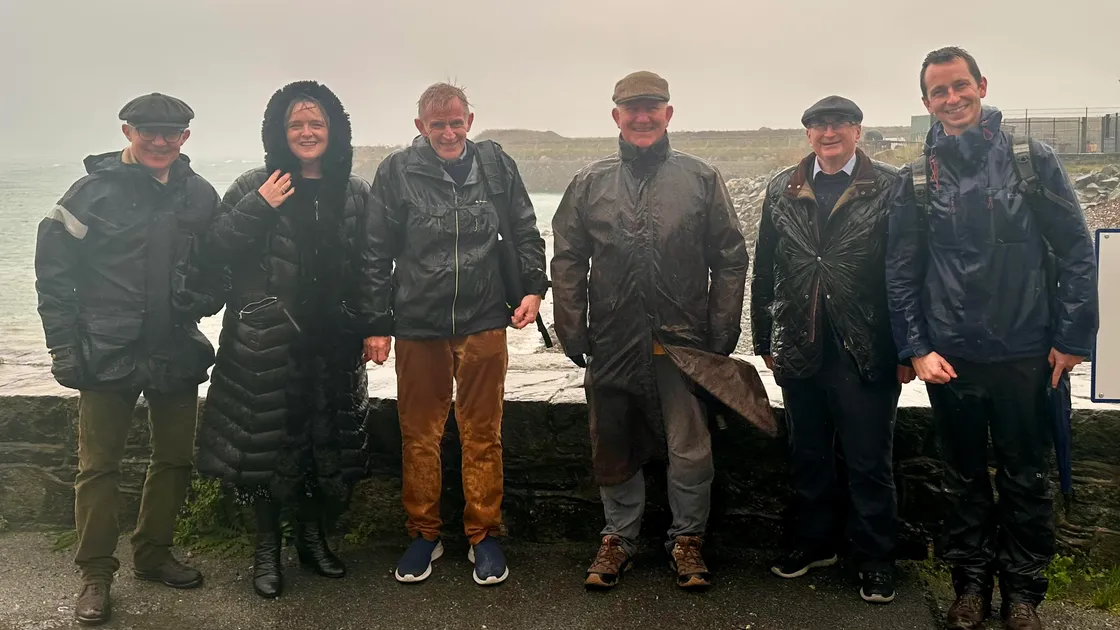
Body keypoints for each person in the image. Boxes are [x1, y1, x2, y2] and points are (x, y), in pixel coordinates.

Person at [886, 47, 1098, 630]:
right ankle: (971, 586)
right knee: (962, 479)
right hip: (950, 358)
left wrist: (1073, 336)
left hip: (1027, 351)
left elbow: (1078, 251)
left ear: (981, 84)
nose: (952, 99)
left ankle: (1024, 594)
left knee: (1027, 476)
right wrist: (915, 347)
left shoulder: (1033, 161)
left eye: (960, 86)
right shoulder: (915, 177)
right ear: (925, 102)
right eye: (939, 92)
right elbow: (901, 270)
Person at [551, 71, 751, 591]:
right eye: (631, 108)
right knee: (613, 441)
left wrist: (719, 335)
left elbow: (730, 257)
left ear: (668, 113)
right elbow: (568, 260)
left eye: (651, 107)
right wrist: (572, 329)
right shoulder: (589, 183)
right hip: (613, 340)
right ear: (616, 116)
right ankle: (618, 536)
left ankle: (688, 539)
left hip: (682, 343)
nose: (642, 116)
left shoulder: (702, 179)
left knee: (691, 447)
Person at [34, 92, 221, 626]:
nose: (160, 140)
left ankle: (154, 554)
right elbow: (53, 275)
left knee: (175, 460)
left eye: (171, 132)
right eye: (148, 131)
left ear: (186, 136)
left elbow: (219, 264)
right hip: (103, 348)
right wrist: (63, 348)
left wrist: (205, 299)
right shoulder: (90, 194)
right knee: (98, 467)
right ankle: (96, 575)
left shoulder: (200, 196)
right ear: (127, 132)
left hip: (174, 348)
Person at [194, 81, 377, 599]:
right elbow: (213, 251)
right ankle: (266, 551)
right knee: (268, 452)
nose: (307, 132)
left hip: (332, 346)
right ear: (280, 131)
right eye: (296, 124)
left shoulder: (355, 191)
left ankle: (313, 541)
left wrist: (371, 325)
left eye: (316, 124)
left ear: (333, 130)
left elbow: (370, 266)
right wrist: (259, 205)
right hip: (265, 345)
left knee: (326, 449)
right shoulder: (257, 183)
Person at [365, 82, 547, 586]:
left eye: (456, 121)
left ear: (470, 120)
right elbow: (375, 252)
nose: (448, 131)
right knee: (419, 434)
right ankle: (424, 532)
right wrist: (377, 323)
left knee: (482, 432)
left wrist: (534, 288)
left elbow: (525, 227)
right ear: (420, 126)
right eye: (437, 124)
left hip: (485, 317)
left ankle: (483, 534)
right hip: (418, 322)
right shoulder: (396, 171)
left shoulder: (496, 165)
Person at [751, 95, 912, 604]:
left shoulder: (889, 187)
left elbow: (906, 270)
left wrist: (908, 348)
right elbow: (767, 270)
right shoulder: (783, 188)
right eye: (819, 126)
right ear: (808, 135)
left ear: (858, 131)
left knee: (869, 461)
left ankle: (875, 559)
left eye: (839, 124)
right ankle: (814, 542)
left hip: (866, 346)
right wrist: (764, 338)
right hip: (800, 343)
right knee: (809, 454)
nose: (829, 133)